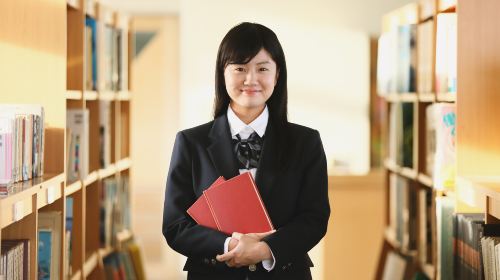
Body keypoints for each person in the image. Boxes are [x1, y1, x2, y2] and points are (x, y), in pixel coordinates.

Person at [162, 22, 330, 280]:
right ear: (223, 74)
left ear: (277, 75)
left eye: (262, 68)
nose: (251, 79)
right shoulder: (190, 142)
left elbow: (314, 219)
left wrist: (265, 250)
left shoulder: (306, 142)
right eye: (240, 68)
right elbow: (175, 226)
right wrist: (229, 246)